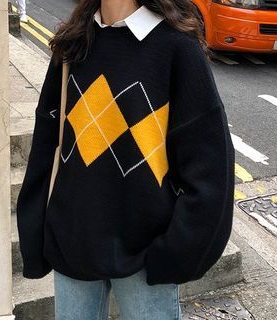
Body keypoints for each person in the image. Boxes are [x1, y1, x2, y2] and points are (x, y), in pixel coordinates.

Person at [16, 0, 236, 319]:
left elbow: (211, 166)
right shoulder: (73, 44)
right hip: (73, 242)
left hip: (146, 255)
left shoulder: (176, 48)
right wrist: (38, 230)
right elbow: (46, 149)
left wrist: (176, 250)